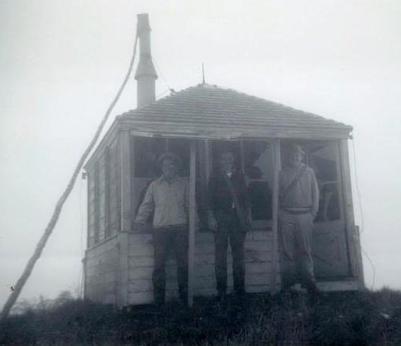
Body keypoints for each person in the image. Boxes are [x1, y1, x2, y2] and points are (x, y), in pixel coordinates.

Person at [134, 152, 189, 306]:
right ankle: (159, 302)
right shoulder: (154, 185)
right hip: (160, 230)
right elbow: (147, 205)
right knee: (159, 265)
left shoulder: (184, 184)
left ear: (177, 167)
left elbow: (190, 205)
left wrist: (196, 223)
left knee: (183, 264)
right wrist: (139, 221)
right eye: (165, 165)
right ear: (161, 168)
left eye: (172, 165)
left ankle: (184, 299)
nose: (169, 167)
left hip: (180, 228)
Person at [208, 150, 251, 300]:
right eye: (223, 159)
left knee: (238, 256)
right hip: (220, 218)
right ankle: (221, 291)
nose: (226, 161)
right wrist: (211, 218)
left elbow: (246, 200)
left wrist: (246, 218)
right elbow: (208, 201)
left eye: (229, 159)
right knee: (220, 256)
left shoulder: (240, 177)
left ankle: (240, 289)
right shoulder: (214, 178)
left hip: (237, 219)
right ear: (219, 161)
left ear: (233, 161)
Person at [278, 144, 320, 299]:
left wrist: (312, 213)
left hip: (304, 215)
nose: (295, 157)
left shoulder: (309, 172)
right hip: (286, 215)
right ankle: (287, 284)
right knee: (287, 252)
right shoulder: (281, 173)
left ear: (302, 156)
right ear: (288, 157)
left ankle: (309, 283)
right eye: (292, 155)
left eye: (298, 155)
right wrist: (280, 214)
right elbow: (276, 196)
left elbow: (316, 194)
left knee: (305, 251)